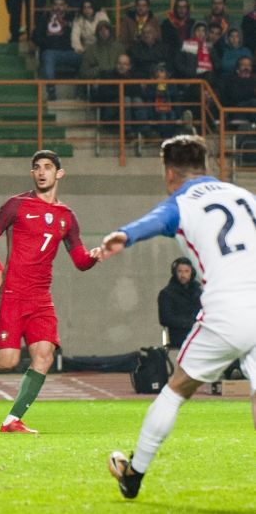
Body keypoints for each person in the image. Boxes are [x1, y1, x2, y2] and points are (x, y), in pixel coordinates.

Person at [98, 136, 256, 499]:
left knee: (176, 389)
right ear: (206, 166)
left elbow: (155, 220)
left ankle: (134, 474)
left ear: (169, 173)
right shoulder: (244, 196)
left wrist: (125, 235)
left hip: (227, 310)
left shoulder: (181, 202)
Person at [0, 150, 99, 433]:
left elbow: (80, 261)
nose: (42, 172)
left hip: (41, 298)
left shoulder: (67, 217)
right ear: (32, 173)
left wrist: (97, 255)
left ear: (59, 173)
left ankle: (12, 420)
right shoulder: (17, 205)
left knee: (44, 355)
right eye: (37, 168)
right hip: (12, 293)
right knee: (6, 361)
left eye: (48, 167)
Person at [158, 257, 202, 349]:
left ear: (192, 272)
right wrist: (190, 323)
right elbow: (165, 318)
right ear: (175, 273)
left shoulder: (198, 291)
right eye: (180, 271)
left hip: (200, 332)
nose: (183, 275)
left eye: (186, 271)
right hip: (180, 335)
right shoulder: (167, 294)